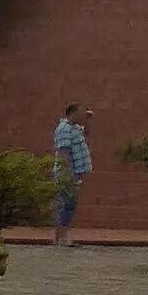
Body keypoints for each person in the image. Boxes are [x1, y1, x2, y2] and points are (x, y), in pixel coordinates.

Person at [51, 102, 94, 243]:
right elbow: (64, 151)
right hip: (67, 172)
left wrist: (88, 120)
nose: (83, 114)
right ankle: (62, 237)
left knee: (68, 203)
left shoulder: (75, 128)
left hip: (76, 171)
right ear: (72, 112)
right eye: (81, 112)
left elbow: (86, 134)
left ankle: (59, 237)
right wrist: (68, 172)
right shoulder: (64, 128)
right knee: (67, 204)